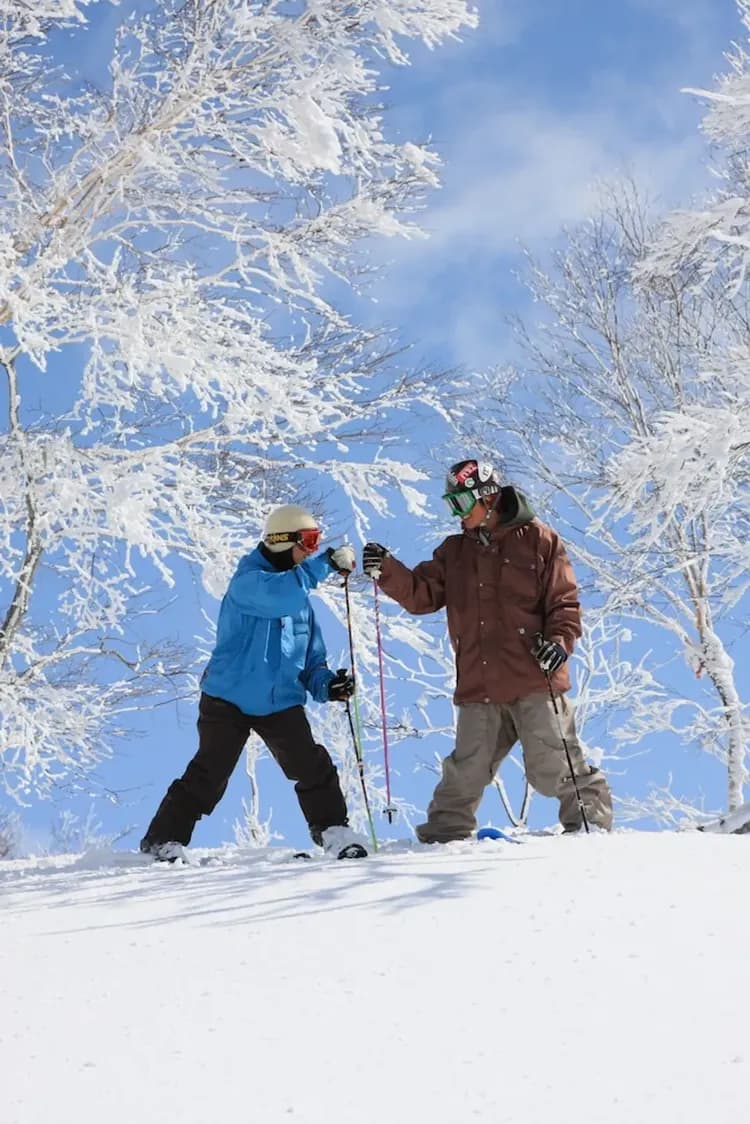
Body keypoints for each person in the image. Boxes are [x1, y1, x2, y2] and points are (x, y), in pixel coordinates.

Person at [362, 459, 613, 841]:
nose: (457, 514)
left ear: (488, 496)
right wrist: (387, 569)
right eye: (452, 505)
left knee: (552, 765)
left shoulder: (539, 540)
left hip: (532, 677)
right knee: (466, 769)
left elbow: (563, 601)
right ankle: (444, 837)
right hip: (479, 683)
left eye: (461, 503)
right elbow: (421, 595)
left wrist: (559, 643)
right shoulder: (454, 552)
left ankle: (589, 825)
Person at [140, 504, 368, 861]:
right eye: (307, 541)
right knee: (211, 771)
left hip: (279, 701)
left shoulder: (300, 602)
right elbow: (278, 597)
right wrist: (325, 563)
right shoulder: (248, 582)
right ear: (282, 540)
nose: (311, 551)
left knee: (311, 765)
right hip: (228, 698)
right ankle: (162, 840)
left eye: (316, 542)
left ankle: (333, 831)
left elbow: (311, 662)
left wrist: (327, 685)